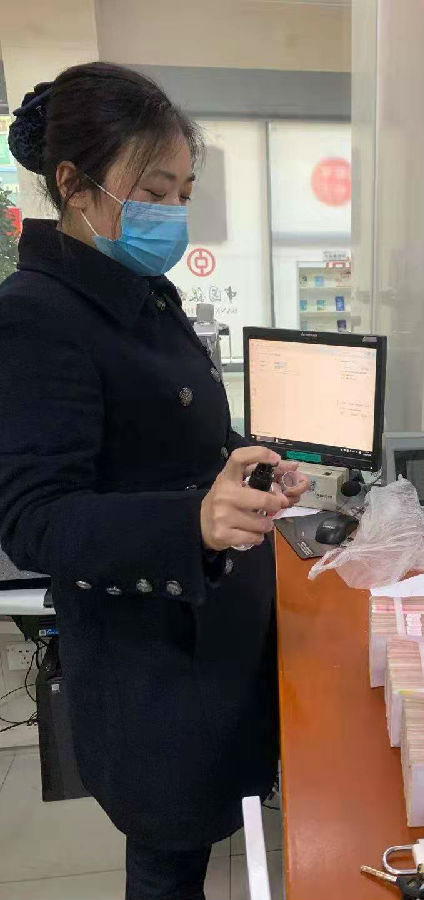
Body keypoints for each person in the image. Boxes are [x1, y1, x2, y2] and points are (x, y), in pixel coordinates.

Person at [0, 62, 307, 900]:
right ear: (75, 185)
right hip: (154, 667)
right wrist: (192, 523)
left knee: (203, 837)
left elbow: (180, 435)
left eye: (184, 192)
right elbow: (33, 519)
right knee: (168, 864)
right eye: (154, 191)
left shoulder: (144, 294)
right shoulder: (34, 316)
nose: (172, 211)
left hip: (218, 636)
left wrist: (251, 463)